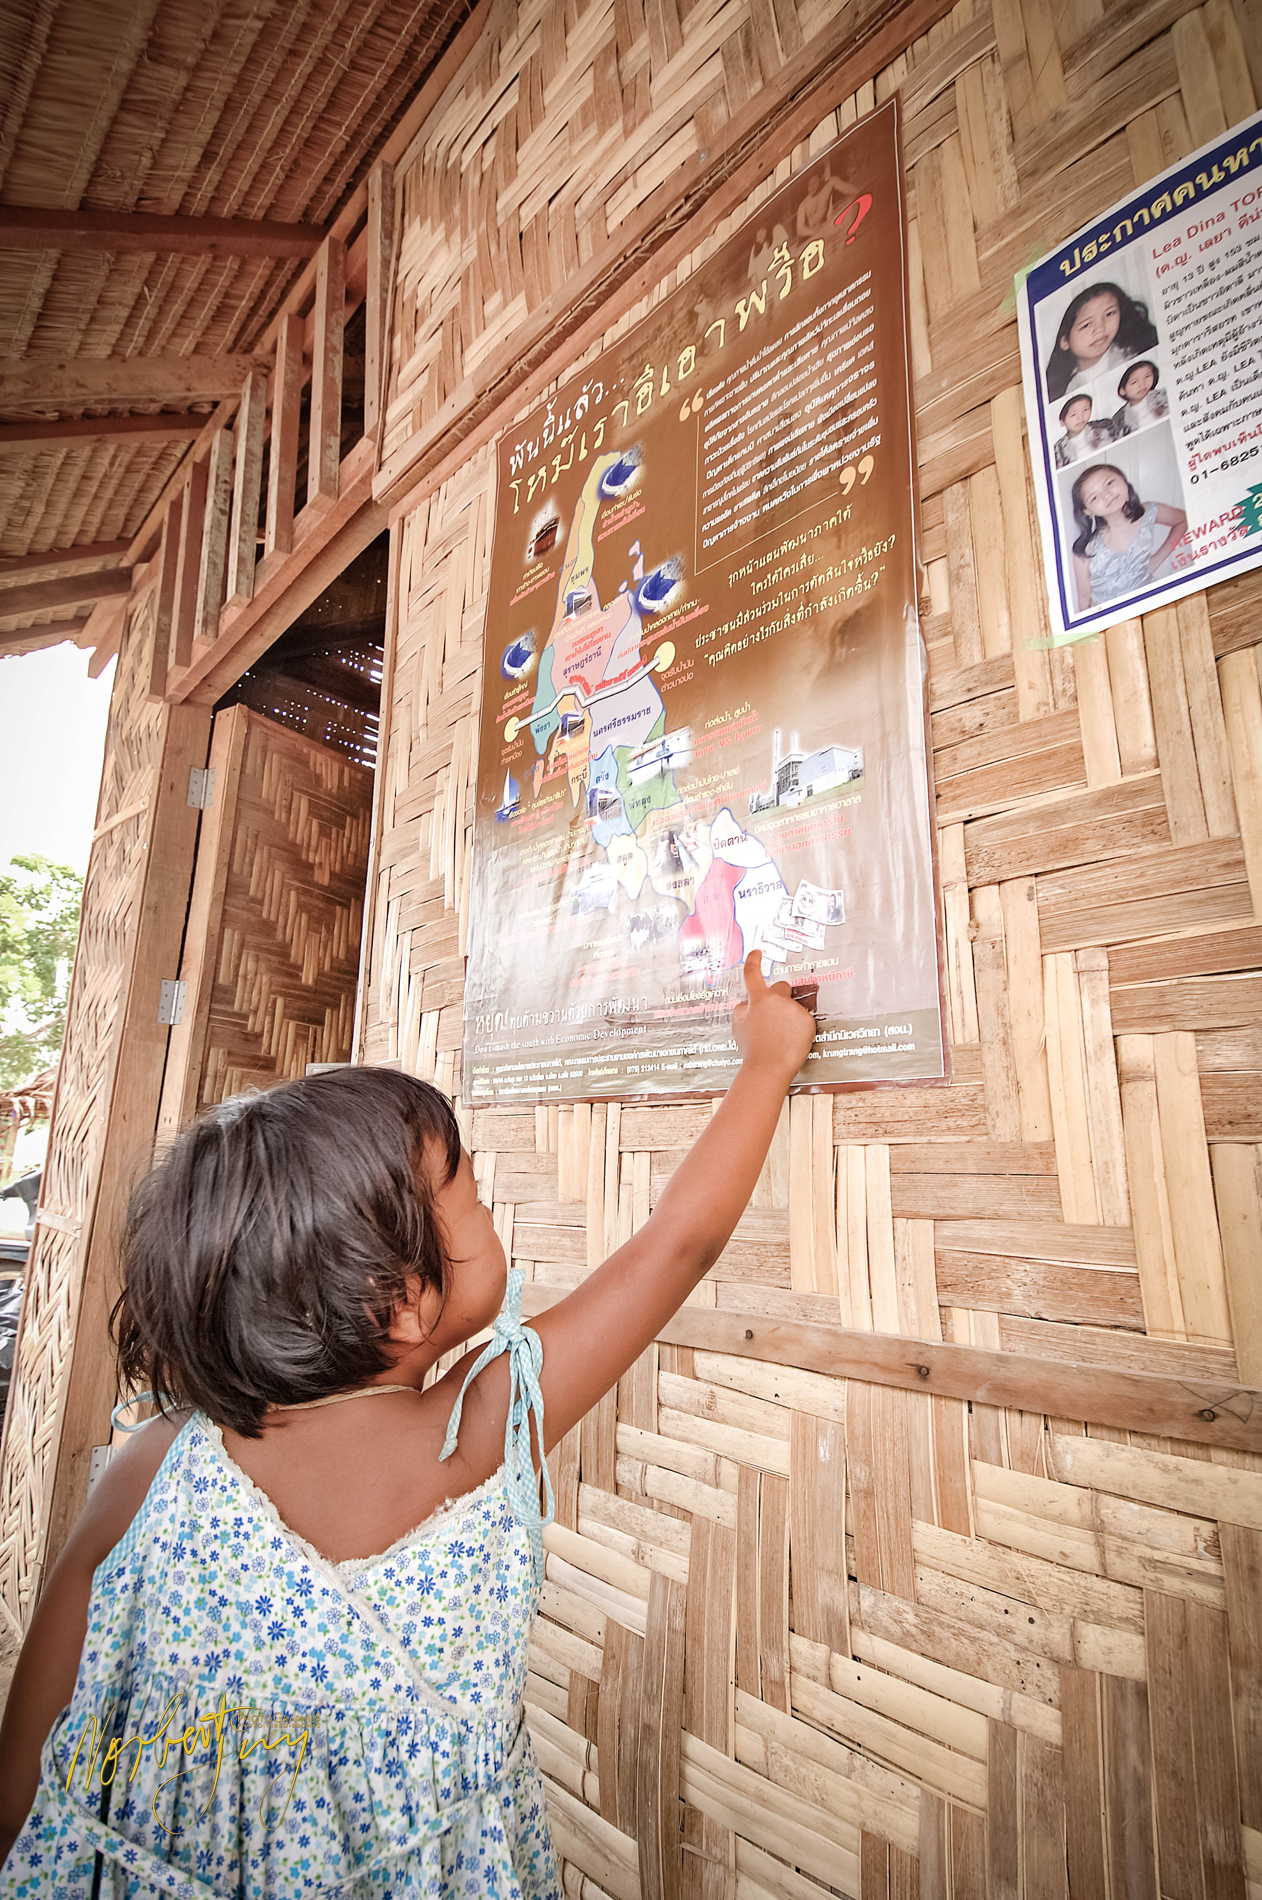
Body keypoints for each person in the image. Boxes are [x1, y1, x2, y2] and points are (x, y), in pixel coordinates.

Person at [0, 954, 817, 1896]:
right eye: (473, 1201)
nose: (489, 1215)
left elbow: (35, 1763)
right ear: (400, 1305)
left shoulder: (151, 1465)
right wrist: (764, 1066)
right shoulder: (481, 1430)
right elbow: (679, 1244)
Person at [1070, 463, 1187, 611]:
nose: (1107, 495)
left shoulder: (1149, 512)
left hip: (1152, 604)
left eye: (1109, 483)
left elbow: (1182, 520)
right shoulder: (1085, 550)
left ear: (1123, 479)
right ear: (1087, 511)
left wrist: (1157, 559)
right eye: (1094, 497)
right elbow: (1084, 600)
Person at [1044, 282, 1159, 402]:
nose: (1100, 328)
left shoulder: (1137, 353)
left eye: (1109, 314)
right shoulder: (1063, 391)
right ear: (1064, 341)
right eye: (1086, 325)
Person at [1109, 358, 1169, 435]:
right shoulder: (1118, 418)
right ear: (1122, 390)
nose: (1142, 384)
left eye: (1147, 376)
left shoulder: (1163, 396)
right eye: (1134, 382)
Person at [1053, 394, 1107, 466]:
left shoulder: (1105, 426)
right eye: (1073, 414)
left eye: (1085, 410)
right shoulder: (1057, 450)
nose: (1080, 417)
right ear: (1062, 422)